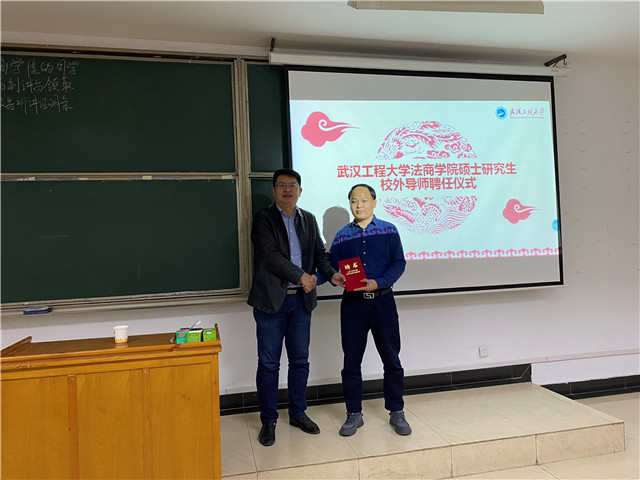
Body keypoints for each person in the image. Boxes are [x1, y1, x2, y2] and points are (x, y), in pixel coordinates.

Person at [248, 168, 345, 447]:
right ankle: (268, 420)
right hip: (271, 301)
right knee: (269, 364)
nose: (287, 190)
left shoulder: (309, 219)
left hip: (301, 302)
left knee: (300, 361)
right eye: (281, 185)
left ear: (300, 191)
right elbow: (269, 256)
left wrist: (330, 274)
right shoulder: (263, 218)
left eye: (292, 185)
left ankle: (298, 413)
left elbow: (319, 254)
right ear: (273, 190)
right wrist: (301, 276)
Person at [329, 183, 411, 436]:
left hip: (382, 301)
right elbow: (330, 265)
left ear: (374, 202)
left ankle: (396, 411)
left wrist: (380, 282)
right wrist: (331, 276)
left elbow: (399, 263)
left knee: (392, 359)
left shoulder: (389, 229)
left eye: (364, 200)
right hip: (353, 304)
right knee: (351, 361)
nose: (359, 205)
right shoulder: (342, 235)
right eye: (354, 201)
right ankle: (354, 413)